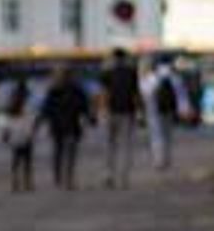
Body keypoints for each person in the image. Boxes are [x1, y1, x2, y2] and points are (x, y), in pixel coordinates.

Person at [38, 64, 91, 190]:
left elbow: (46, 109)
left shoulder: (53, 90)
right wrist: (89, 118)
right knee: (70, 153)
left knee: (58, 152)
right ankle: (68, 179)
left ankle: (59, 178)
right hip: (72, 125)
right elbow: (84, 106)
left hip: (57, 126)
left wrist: (41, 121)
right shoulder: (76, 89)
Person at [99, 47, 142, 188]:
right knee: (126, 145)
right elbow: (136, 94)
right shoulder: (132, 73)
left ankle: (108, 175)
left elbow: (104, 93)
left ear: (113, 58)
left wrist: (102, 110)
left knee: (109, 145)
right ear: (125, 58)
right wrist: (139, 112)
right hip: (128, 112)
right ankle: (124, 177)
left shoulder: (107, 73)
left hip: (110, 111)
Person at [145, 59, 183, 172]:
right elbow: (181, 95)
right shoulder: (175, 77)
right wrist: (183, 109)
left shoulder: (152, 77)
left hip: (154, 111)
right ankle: (166, 158)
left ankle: (158, 160)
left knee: (156, 136)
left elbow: (146, 93)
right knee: (168, 135)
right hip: (169, 110)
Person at [1, 77, 37, 192]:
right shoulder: (28, 104)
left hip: (15, 135)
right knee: (27, 160)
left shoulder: (12, 104)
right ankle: (27, 183)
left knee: (16, 159)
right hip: (25, 135)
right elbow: (31, 120)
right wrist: (32, 132)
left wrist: (6, 134)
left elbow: (8, 122)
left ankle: (15, 181)